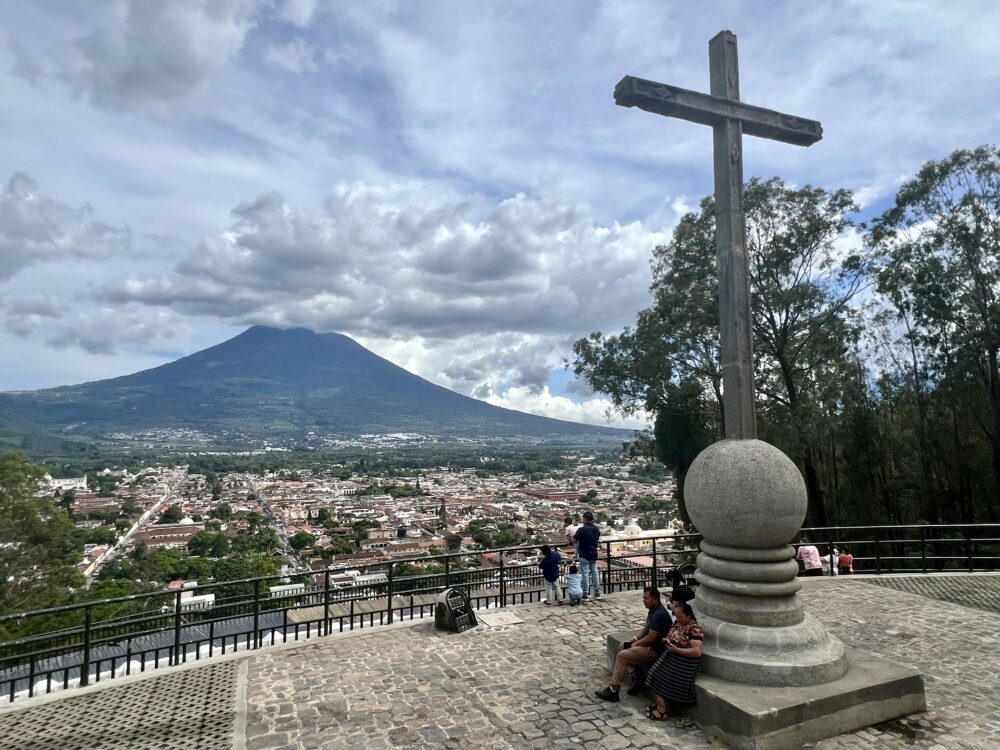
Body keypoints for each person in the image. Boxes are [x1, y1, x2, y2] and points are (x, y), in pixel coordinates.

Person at [594, 586, 672, 702]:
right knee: (622, 646)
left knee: (623, 656)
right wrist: (633, 639)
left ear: (655, 599)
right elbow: (646, 630)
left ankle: (613, 690)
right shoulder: (653, 611)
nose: (643, 600)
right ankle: (637, 678)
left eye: (646, 598)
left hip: (655, 650)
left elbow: (651, 638)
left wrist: (635, 644)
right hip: (650, 646)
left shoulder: (659, 615)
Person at [644, 600, 704, 720]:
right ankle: (660, 705)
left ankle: (662, 710)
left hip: (684, 662)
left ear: (688, 615)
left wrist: (677, 650)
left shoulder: (694, 629)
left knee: (656, 676)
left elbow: (697, 652)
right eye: (676, 616)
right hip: (671, 656)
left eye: (680, 617)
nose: (678, 619)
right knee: (652, 675)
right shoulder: (678, 623)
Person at [574, 511, 601, 600]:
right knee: (595, 573)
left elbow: (574, 539)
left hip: (584, 553)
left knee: (585, 574)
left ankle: (585, 593)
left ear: (585, 518)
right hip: (593, 553)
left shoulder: (582, 529)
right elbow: (596, 539)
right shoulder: (596, 529)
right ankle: (597, 592)